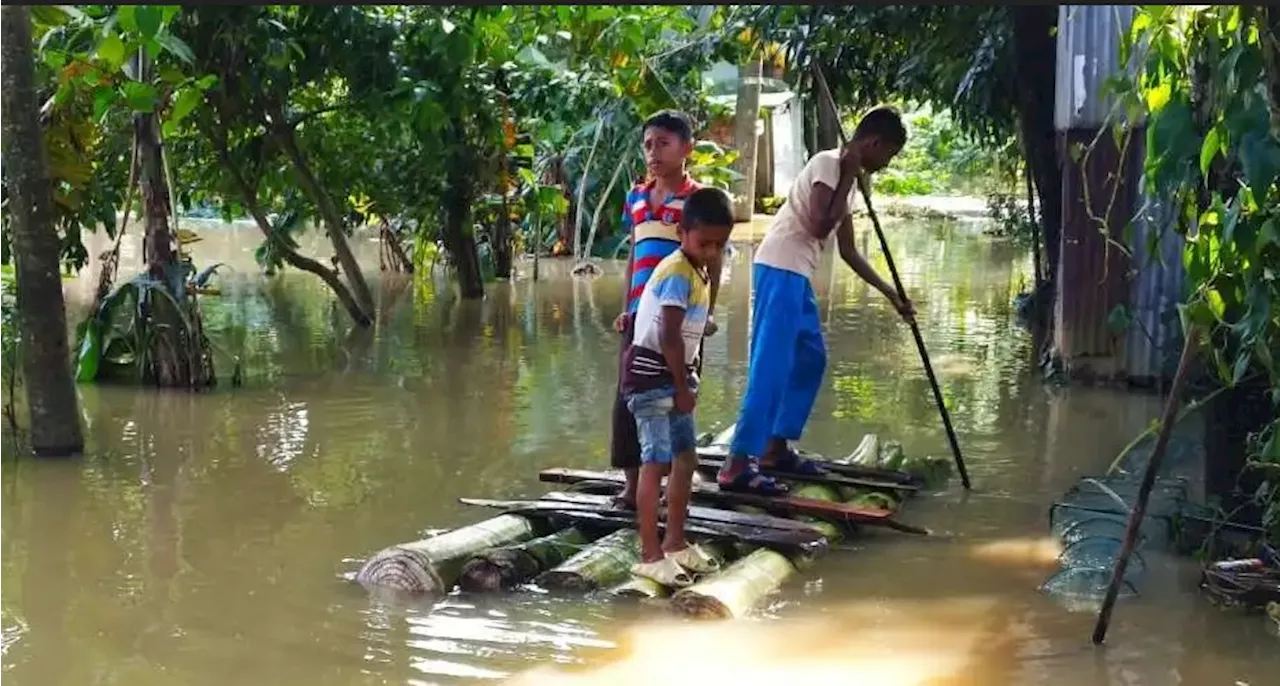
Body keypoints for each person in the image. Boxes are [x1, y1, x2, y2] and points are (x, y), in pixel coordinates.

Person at [717, 106, 915, 496]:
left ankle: (774, 449)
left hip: (797, 275)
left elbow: (848, 251)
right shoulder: (828, 164)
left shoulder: (847, 180)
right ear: (872, 144)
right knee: (770, 368)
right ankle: (736, 464)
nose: (885, 164)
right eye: (887, 155)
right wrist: (847, 173)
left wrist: (891, 294)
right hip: (780, 268)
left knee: (811, 358)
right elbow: (819, 224)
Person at [610, 110, 722, 510]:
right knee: (630, 398)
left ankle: (674, 486)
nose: (653, 153)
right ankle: (632, 485)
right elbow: (635, 255)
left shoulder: (698, 200)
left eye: (663, 144)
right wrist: (628, 307)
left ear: (686, 149)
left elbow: (713, 259)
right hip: (641, 317)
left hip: (684, 316)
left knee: (678, 397)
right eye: (647, 145)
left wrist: (708, 312)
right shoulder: (636, 197)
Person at [623, 187, 734, 586]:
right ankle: (649, 554)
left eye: (720, 245)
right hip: (652, 377)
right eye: (705, 242)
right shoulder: (675, 272)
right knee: (655, 461)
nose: (711, 251)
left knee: (685, 459)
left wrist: (689, 379)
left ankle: (675, 542)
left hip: (676, 376)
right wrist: (682, 387)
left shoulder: (698, 270)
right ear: (682, 232)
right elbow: (670, 335)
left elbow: (685, 332)